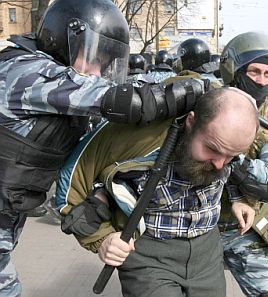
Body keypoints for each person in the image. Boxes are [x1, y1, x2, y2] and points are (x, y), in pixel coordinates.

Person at [0, 0, 206, 295]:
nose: (97, 72)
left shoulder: (55, 93)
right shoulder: (24, 73)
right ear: (63, 39)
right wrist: (192, 89)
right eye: (94, 58)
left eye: (105, 64)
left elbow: (130, 88)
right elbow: (126, 101)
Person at [55, 87, 259, 297]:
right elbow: (69, 186)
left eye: (231, 156)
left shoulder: (226, 145)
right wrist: (102, 239)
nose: (219, 164)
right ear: (191, 121)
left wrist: (240, 197)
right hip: (147, 256)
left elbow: (238, 167)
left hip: (208, 254)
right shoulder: (133, 138)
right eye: (212, 149)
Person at [218, 31, 268, 297]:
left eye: (267, 74)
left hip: (245, 228)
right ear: (235, 71)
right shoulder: (207, 108)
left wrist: (224, 149)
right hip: (199, 226)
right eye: (254, 72)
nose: (261, 81)